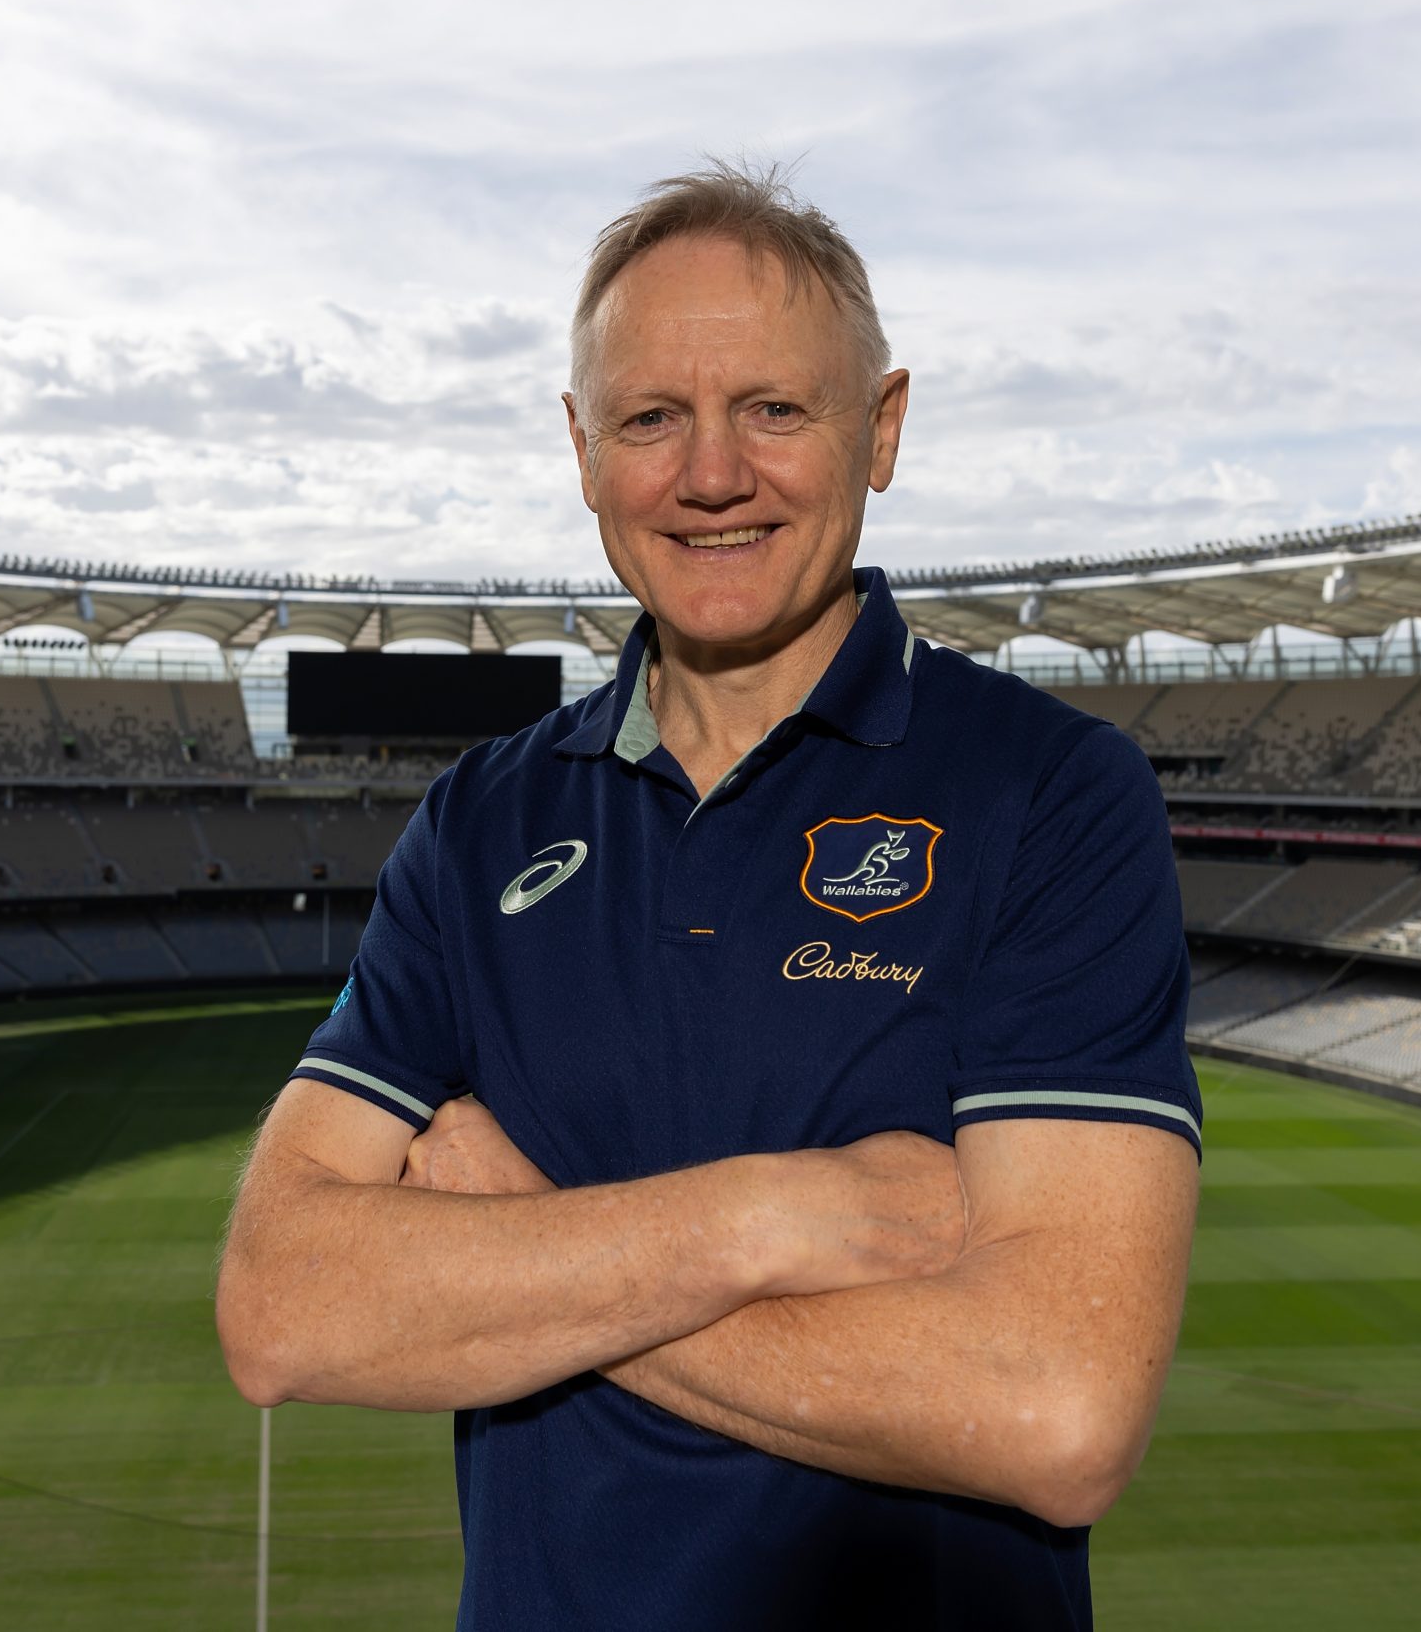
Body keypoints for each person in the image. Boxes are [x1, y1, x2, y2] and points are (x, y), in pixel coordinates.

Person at [217, 162, 1201, 1631]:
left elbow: (1054, 1411)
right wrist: (772, 1218)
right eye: (650, 417)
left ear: (883, 429)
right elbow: (281, 1309)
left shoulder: (1050, 795)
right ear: (580, 444)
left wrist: (525, 1248)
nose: (712, 475)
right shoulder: (480, 823)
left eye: (776, 409)